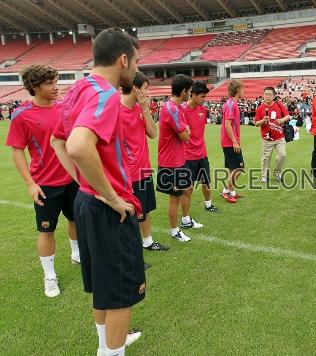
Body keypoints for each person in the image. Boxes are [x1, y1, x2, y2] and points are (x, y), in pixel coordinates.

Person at [50, 28, 144, 355]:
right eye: (135, 62)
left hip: (87, 203)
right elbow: (76, 145)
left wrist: (86, 184)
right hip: (108, 210)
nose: (135, 69)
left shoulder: (78, 88)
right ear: (122, 59)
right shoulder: (105, 94)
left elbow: (57, 141)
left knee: (104, 289)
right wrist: (112, 195)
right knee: (121, 295)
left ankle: (105, 345)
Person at [6, 64, 80, 298]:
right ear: (34, 87)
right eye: (49, 83)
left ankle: (77, 253)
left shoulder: (64, 107)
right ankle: (49, 277)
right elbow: (17, 151)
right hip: (46, 184)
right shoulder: (22, 115)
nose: (55, 87)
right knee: (46, 231)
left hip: (74, 178)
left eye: (56, 81)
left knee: (76, 220)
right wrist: (30, 183)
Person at [120, 71, 169, 252]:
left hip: (143, 169)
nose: (148, 92)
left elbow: (153, 134)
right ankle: (131, 250)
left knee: (144, 209)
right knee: (129, 213)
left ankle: (147, 241)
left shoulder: (139, 108)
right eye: (146, 88)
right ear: (135, 88)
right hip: (127, 173)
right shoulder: (116, 111)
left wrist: (146, 108)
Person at [156, 74, 193, 242]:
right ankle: (174, 230)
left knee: (185, 190)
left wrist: (186, 130)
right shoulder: (171, 108)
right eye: (189, 91)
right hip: (171, 162)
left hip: (178, 159)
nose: (190, 94)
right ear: (183, 91)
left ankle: (185, 222)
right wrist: (187, 130)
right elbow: (185, 135)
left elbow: (186, 131)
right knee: (175, 197)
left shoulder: (177, 107)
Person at [181, 81, 220, 229]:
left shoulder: (203, 110)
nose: (205, 99)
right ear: (194, 95)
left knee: (206, 182)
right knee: (188, 189)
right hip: (187, 156)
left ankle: (208, 205)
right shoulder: (182, 110)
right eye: (202, 97)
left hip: (202, 153)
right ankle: (185, 219)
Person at [254, 86, 290, 183]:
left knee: (282, 155)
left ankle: (277, 172)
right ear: (263, 96)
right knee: (266, 158)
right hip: (267, 138)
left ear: (274, 96)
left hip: (280, 137)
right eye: (266, 94)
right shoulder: (260, 108)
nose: (267, 96)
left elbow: (287, 116)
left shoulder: (279, 105)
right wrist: (262, 121)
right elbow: (256, 124)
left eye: (270, 94)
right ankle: (264, 176)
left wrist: (282, 120)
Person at [220, 80, 245, 203]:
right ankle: (226, 192)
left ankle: (231, 191)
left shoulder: (231, 103)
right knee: (239, 168)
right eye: (242, 88)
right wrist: (234, 141)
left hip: (228, 141)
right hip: (230, 142)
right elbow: (227, 124)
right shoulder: (231, 104)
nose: (243, 91)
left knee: (232, 168)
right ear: (237, 89)